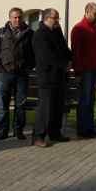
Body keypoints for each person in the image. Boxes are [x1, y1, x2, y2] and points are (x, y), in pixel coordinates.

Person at [0, 7, 35, 141]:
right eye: (15, 17)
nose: (17, 20)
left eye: (20, 17)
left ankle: (18, 130)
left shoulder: (29, 33)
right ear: (10, 18)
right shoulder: (1, 33)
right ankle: (2, 131)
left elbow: (35, 52)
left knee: (21, 105)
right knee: (3, 104)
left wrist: (28, 66)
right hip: (4, 74)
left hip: (21, 74)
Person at [32, 8, 73, 147]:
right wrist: (63, 65)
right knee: (45, 108)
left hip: (59, 76)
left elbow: (64, 48)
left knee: (57, 106)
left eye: (58, 18)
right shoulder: (40, 34)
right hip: (47, 77)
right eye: (55, 18)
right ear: (46, 18)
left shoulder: (57, 31)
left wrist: (71, 59)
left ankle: (55, 133)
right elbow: (46, 56)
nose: (57, 21)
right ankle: (38, 136)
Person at [71, 3, 96, 138]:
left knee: (91, 99)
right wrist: (78, 71)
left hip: (95, 69)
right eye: (95, 14)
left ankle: (90, 127)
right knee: (84, 100)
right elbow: (76, 52)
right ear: (87, 12)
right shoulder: (79, 29)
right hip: (85, 70)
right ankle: (83, 129)